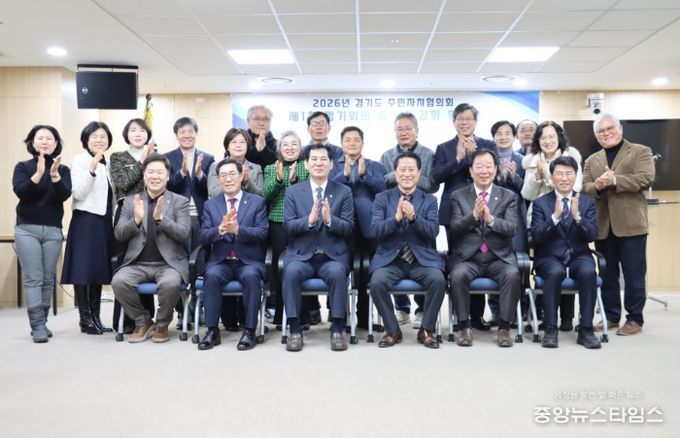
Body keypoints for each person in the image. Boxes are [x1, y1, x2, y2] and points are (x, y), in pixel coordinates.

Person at [582, 113, 655, 336]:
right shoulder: (592, 160)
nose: (606, 134)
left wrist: (615, 180)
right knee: (608, 274)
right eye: (601, 131)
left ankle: (634, 319)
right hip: (603, 226)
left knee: (634, 275)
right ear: (596, 135)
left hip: (631, 225)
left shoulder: (641, 151)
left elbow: (645, 178)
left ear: (620, 129)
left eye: (610, 128)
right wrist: (598, 185)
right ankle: (612, 316)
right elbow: (585, 187)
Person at [368, 151, 446, 349]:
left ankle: (426, 330)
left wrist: (414, 218)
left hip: (421, 260)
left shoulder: (429, 200)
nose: (407, 174)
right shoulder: (382, 198)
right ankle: (392, 330)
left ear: (419, 173)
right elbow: (375, 230)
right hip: (390, 260)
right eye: (402, 170)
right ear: (395, 173)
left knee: (438, 280)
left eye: (412, 170)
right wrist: (395, 219)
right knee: (377, 283)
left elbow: (433, 232)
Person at [281, 144, 354, 351]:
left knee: (338, 273)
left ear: (331, 164)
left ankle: (337, 329)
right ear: (306, 164)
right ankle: (295, 329)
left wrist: (330, 220)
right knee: (291, 273)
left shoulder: (343, 191)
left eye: (323, 159)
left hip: (332, 257)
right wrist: (309, 220)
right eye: (314, 159)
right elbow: (288, 226)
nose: (318, 163)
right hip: (301, 256)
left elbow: (349, 227)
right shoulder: (294, 191)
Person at [111, 153, 190, 343]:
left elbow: (183, 233)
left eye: (160, 172)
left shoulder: (180, 201)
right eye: (151, 172)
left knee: (170, 284)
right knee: (119, 282)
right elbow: (119, 234)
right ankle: (143, 321)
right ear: (144, 175)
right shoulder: (130, 201)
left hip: (168, 264)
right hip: (137, 263)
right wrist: (136, 220)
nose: (155, 176)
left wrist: (162, 219)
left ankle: (162, 325)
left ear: (168, 176)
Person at [433, 103, 497, 331]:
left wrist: (474, 156)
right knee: (459, 262)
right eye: (460, 119)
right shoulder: (444, 148)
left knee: (480, 259)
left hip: (484, 208)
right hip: (455, 211)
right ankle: (459, 317)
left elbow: (493, 173)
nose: (464, 122)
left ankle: (477, 316)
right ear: (454, 122)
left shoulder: (488, 145)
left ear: (475, 122)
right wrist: (459, 158)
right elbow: (436, 177)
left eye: (468, 118)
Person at [448, 149, 522, 348]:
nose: (484, 171)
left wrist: (490, 220)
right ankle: (464, 327)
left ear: (495, 169)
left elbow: (512, 228)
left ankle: (504, 328)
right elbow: (455, 229)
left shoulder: (508, 196)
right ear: (471, 171)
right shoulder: (458, 196)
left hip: (498, 258)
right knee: (457, 276)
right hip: (469, 258)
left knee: (512, 274)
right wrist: (473, 216)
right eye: (479, 166)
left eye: (488, 166)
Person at [197, 159, 268, 351]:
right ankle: (212, 331)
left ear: (241, 176)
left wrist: (239, 230)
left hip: (248, 261)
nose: (228, 179)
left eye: (232, 174)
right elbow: (203, 236)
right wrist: (219, 230)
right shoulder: (211, 205)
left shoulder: (257, 202)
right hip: (221, 261)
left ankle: (250, 331)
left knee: (251, 277)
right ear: (219, 179)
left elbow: (263, 233)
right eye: (223, 175)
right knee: (211, 275)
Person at [531, 156, 601, 349]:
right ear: (552, 177)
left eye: (568, 174)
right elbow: (536, 237)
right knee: (554, 273)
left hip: (579, 255)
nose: (564, 178)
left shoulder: (586, 202)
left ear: (575, 176)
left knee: (588, 272)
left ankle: (586, 329)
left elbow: (593, 235)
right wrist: (554, 217)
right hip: (550, 257)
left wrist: (578, 218)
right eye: (559, 174)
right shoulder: (541, 203)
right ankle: (551, 328)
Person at [13, 125, 71, 343]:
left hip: (53, 230)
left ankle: (42, 322)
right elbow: (22, 192)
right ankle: (37, 326)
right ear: (32, 142)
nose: (45, 141)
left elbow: (63, 195)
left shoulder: (63, 169)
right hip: (27, 229)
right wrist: (38, 174)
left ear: (56, 144)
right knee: (33, 279)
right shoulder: (22, 167)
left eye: (49, 138)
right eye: (40, 138)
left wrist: (54, 175)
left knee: (48, 279)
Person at [521, 120, 582, 331]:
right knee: (548, 268)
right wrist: (537, 179)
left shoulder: (571, 157)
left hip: (567, 218)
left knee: (568, 263)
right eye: (543, 137)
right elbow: (526, 194)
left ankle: (566, 318)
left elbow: (577, 187)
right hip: (540, 220)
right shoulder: (532, 161)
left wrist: (549, 175)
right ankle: (544, 317)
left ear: (559, 138)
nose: (547, 141)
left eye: (551, 137)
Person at [380, 112, 437, 325]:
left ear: (417, 131)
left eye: (408, 128)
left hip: (422, 208)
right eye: (399, 129)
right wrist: (402, 175)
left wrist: (406, 176)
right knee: (395, 254)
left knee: (422, 255)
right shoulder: (386, 155)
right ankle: (402, 308)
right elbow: (382, 182)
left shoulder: (428, 154)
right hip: (393, 209)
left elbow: (432, 184)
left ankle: (421, 309)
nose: (403, 133)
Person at [61, 121, 116, 335]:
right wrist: (91, 169)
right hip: (86, 220)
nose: (99, 140)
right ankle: (85, 319)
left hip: (104, 221)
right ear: (86, 140)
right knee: (83, 269)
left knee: (98, 269)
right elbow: (78, 193)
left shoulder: (108, 162)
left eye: (103, 136)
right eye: (94, 136)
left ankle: (96, 317)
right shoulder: (80, 160)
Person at [330, 126, 386, 329]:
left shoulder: (375, 166)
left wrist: (365, 176)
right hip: (340, 226)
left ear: (362, 143)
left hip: (369, 228)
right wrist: (344, 176)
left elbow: (383, 190)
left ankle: (364, 318)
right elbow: (328, 189)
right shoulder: (332, 166)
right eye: (348, 140)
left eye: (356, 140)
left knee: (366, 271)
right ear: (341, 144)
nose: (352, 143)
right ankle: (339, 317)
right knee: (340, 270)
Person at [109, 118, 156, 333]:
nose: (138, 134)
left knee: (147, 259)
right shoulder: (118, 157)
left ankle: (148, 316)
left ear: (148, 134)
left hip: (151, 211)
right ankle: (126, 320)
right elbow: (123, 183)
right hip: (127, 211)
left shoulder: (156, 155)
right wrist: (142, 161)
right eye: (133, 130)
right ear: (126, 135)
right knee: (125, 263)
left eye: (142, 130)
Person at [261, 131, 310, 326]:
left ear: (300, 148)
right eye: (285, 145)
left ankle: (303, 315)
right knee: (279, 269)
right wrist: (279, 179)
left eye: (294, 144)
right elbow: (265, 195)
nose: (290, 148)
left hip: (303, 223)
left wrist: (296, 182)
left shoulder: (307, 166)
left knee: (301, 266)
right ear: (279, 149)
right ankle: (281, 314)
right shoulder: (271, 168)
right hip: (278, 224)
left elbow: (309, 194)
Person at [488, 120, 526, 325]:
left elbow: (527, 190)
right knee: (493, 259)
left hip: (516, 216)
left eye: (507, 133)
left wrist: (514, 177)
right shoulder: (488, 160)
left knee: (516, 263)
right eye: (499, 133)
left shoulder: (522, 160)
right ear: (493, 137)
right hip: (492, 216)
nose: (503, 137)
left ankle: (517, 312)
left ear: (514, 136)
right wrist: (496, 176)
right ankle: (496, 312)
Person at [164, 116, 215, 250]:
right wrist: (182, 173)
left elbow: (211, 188)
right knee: (178, 252)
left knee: (199, 253)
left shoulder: (208, 158)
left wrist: (199, 175)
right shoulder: (167, 158)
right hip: (176, 215)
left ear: (196, 133)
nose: (187, 135)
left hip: (200, 214)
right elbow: (168, 187)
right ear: (176, 135)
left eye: (190, 131)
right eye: (182, 132)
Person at [208, 127, 263, 198]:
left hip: (249, 205)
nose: (238, 145)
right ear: (227, 147)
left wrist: (246, 182)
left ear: (247, 146)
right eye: (234, 142)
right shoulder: (215, 166)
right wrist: (234, 181)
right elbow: (213, 193)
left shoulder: (256, 168)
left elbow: (261, 195)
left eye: (242, 142)